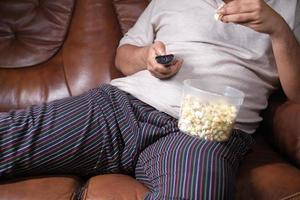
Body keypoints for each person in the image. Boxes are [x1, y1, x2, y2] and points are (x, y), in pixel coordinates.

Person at [1, 0, 299, 199]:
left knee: (197, 190)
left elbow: (296, 92)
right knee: (11, 134)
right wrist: (146, 58)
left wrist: (279, 30)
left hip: (205, 130)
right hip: (122, 106)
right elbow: (123, 56)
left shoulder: (289, 7)